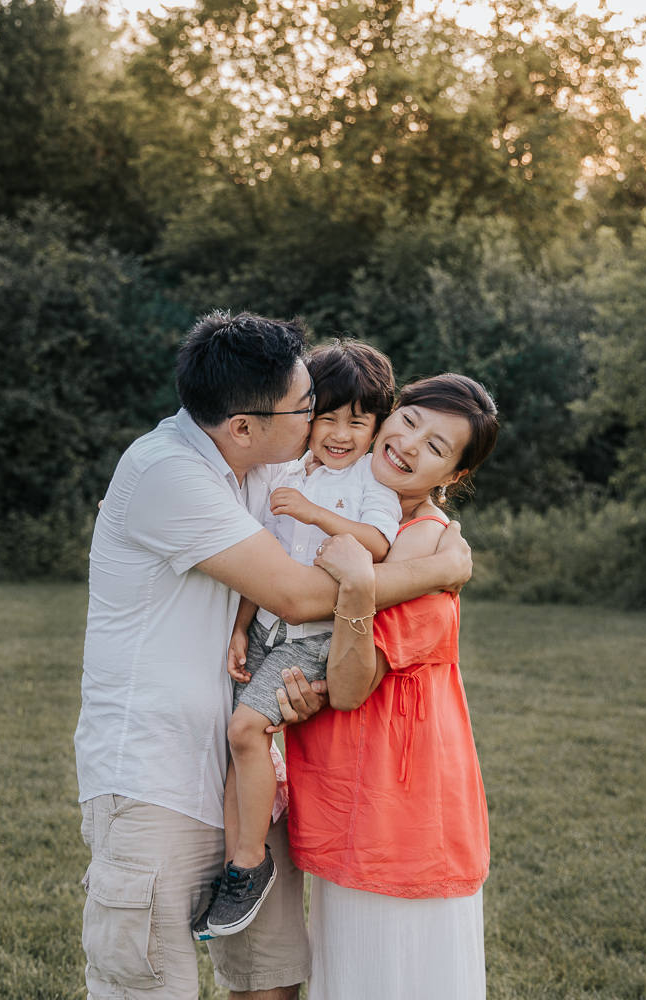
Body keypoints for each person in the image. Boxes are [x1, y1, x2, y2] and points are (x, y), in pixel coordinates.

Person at [74, 312, 473, 1000]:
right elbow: (295, 594)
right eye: (305, 406)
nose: (320, 418)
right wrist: (441, 568)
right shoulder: (167, 471)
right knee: (148, 987)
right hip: (156, 777)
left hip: (256, 782)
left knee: (271, 983)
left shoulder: (268, 468)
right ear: (243, 425)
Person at [287, 374, 500, 1000]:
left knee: (391, 976)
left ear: (452, 476)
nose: (409, 445)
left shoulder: (427, 540)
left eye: (437, 447)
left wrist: (359, 586)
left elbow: (353, 686)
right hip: (349, 791)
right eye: (409, 421)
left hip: (399, 807)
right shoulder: (340, 494)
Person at [204, 340, 400, 938]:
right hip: (265, 626)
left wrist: (317, 515)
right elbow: (259, 563)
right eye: (327, 417)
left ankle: (250, 862)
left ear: (375, 427)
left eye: (357, 421)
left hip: (311, 638)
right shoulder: (285, 474)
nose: (340, 433)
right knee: (243, 743)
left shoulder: (371, 482)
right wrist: (239, 629)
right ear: (306, 416)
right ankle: (241, 855)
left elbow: (378, 545)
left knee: (245, 729)